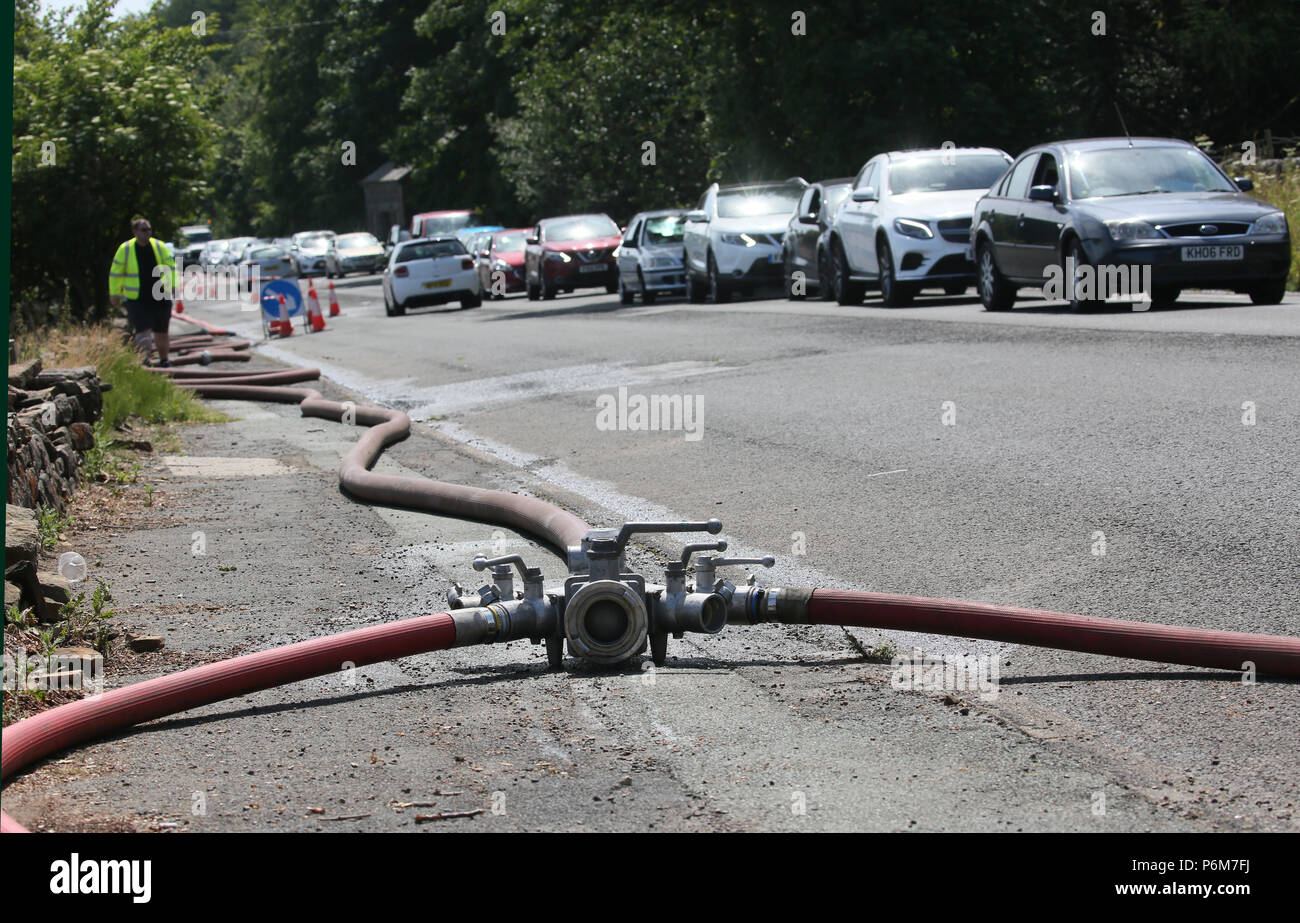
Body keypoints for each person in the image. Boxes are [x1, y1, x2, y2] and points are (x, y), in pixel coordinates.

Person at [109, 217, 178, 366]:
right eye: (144, 230)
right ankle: (145, 361)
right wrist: (114, 293)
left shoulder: (159, 246)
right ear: (135, 232)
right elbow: (116, 273)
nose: (147, 233)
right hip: (137, 298)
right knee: (143, 331)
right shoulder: (125, 249)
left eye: (149, 230)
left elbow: (170, 267)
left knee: (162, 331)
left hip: (160, 296)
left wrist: (172, 285)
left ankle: (164, 360)